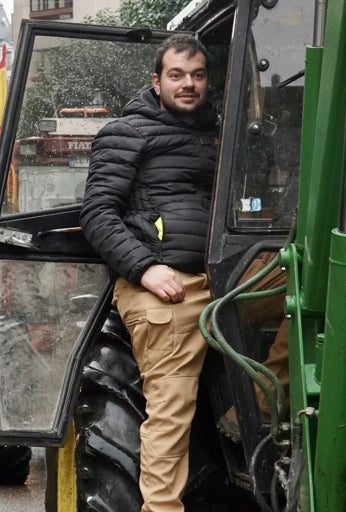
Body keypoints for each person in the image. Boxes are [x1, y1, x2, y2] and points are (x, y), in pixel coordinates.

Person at [80, 34, 219, 512]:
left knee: (300, 301)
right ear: (156, 81)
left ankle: (255, 417)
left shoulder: (221, 134)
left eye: (197, 75)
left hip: (226, 278)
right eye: (177, 75)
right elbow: (98, 214)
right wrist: (146, 268)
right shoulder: (126, 133)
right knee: (171, 408)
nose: (188, 84)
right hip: (163, 286)